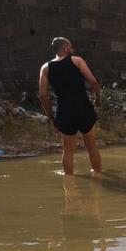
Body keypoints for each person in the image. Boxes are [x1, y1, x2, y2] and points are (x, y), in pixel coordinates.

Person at [38, 36, 103, 174]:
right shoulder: (77, 61)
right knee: (91, 146)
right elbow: (93, 82)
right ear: (66, 48)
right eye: (71, 47)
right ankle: (98, 177)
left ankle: (69, 184)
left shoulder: (45, 68)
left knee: (67, 150)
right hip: (83, 108)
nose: (72, 49)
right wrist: (98, 98)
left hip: (64, 111)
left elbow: (43, 96)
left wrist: (51, 116)